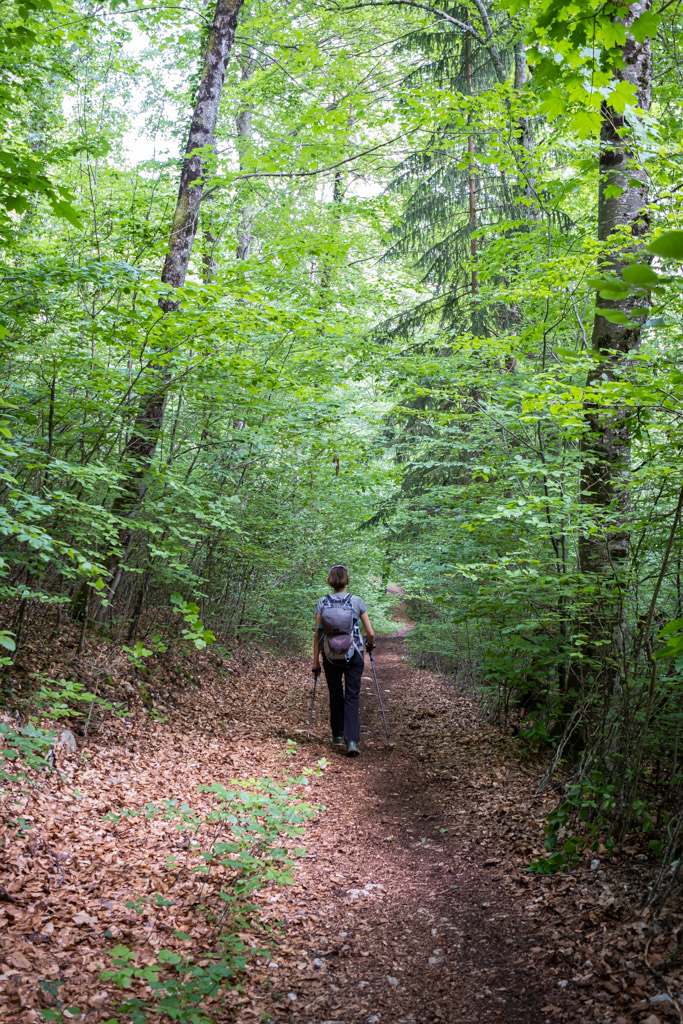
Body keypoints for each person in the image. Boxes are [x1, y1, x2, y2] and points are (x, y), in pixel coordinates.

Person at [312, 564, 375, 757]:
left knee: (335, 695)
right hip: (354, 654)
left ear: (330, 581)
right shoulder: (357, 601)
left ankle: (338, 737)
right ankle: (353, 741)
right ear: (347, 580)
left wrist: (316, 663)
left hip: (330, 656)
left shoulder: (323, 602)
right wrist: (369, 644)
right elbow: (370, 633)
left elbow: (318, 635)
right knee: (352, 696)